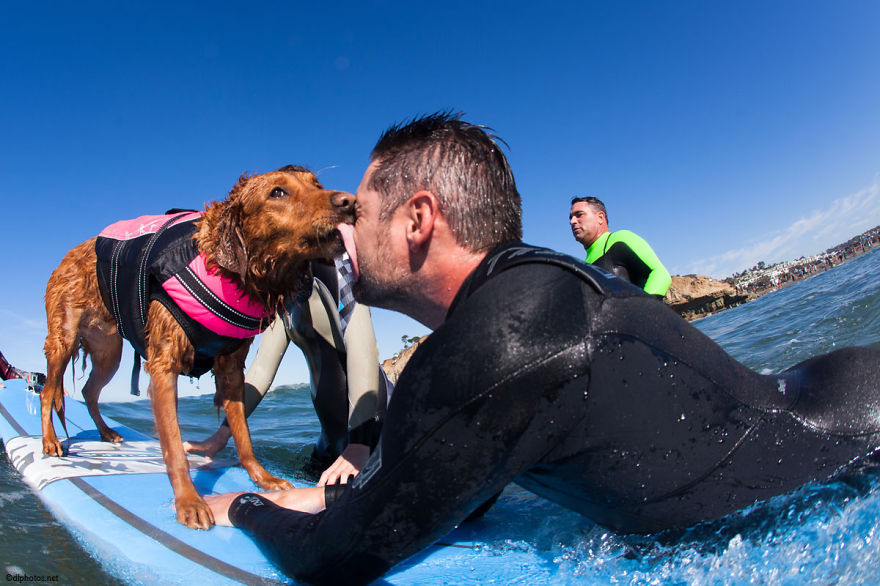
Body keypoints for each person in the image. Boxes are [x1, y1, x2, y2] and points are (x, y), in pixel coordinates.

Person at [205, 113, 880, 585]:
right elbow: (458, 475)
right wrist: (339, 492)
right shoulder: (532, 284)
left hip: (852, 456)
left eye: (361, 210)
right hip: (833, 400)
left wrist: (240, 506)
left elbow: (333, 561)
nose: (346, 224)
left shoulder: (492, 346)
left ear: (417, 219)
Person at [185, 256, 392, 486]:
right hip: (332, 439)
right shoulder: (283, 293)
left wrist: (359, 445)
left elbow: (362, 347)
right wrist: (222, 433)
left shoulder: (331, 263)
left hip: (373, 427)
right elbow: (262, 369)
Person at [569, 195, 672, 297]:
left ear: (600, 217)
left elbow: (660, 274)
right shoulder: (585, 265)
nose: (572, 221)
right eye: (571, 217)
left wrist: (642, 310)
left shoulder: (619, 240)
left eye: (579, 215)